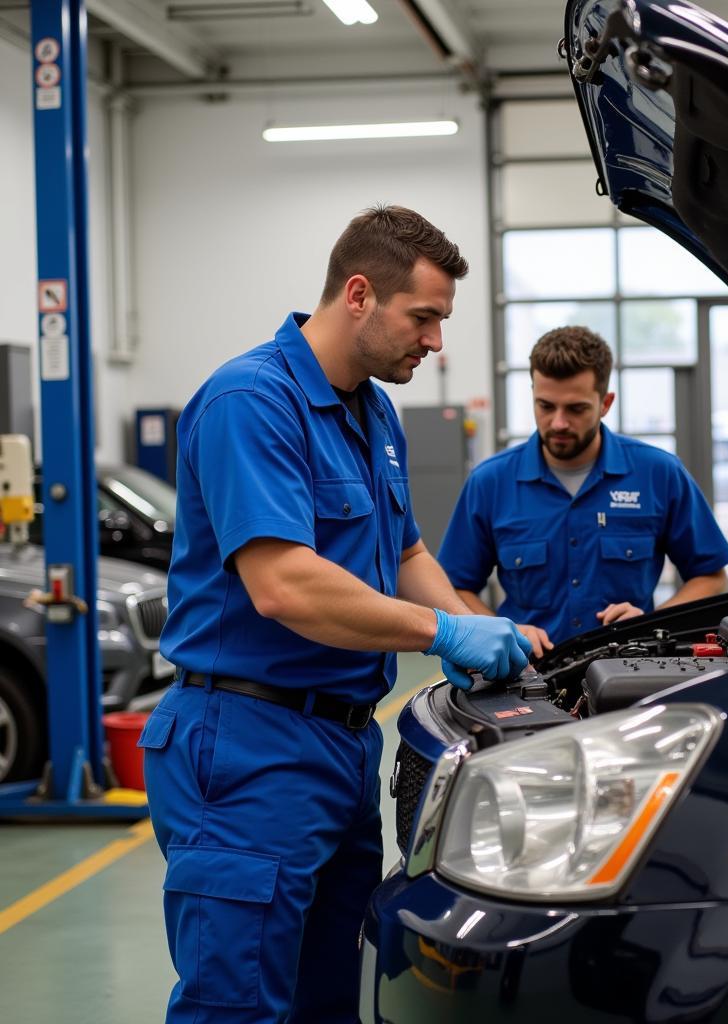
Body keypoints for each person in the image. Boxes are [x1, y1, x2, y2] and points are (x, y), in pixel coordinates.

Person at [139, 205, 531, 1024]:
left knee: (332, 997)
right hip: (246, 744)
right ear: (359, 294)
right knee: (237, 1005)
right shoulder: (252, 402)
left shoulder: (370, 410)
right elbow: (283, 583)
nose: (434, 341)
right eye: (422, 317)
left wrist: (480, 626)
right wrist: (442, 633)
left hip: (347, 743)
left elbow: (406, 552)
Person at [438, 325, 728, 653]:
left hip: (628, 670)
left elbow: (711, 576)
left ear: (605, 403)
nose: (559, 422)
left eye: (576, 409)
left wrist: (651, 626)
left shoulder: (659, 473)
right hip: (527, 676)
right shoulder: (490, 482)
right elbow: (454, 588)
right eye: (545, 406)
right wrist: (501, 631)